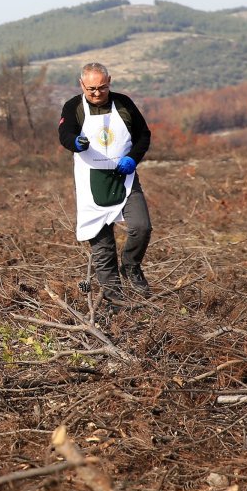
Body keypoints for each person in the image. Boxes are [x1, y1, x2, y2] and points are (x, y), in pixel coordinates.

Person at [58, 62, 152, 309]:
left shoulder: (123, 104)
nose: (97, 93)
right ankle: (115, 301)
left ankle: (131, 265)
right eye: (91, 89)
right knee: (102, 245)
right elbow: (64, 133)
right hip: (91, 182)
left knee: (141, 227)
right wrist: (75, 143)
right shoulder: (74, 106)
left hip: (125, 177)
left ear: (110, 81)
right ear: (82, 85)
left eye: (102, 87)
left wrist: (133, 158)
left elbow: (144, 135)